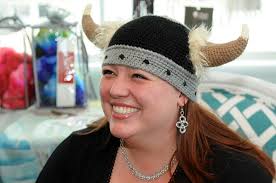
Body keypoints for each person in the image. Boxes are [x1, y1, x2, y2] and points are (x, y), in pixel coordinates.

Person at [35, 5, 275, 183]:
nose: (115, 89)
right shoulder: (76, 153)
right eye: (109, 72)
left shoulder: (238, 174)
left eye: (138, 76)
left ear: (182, 93)